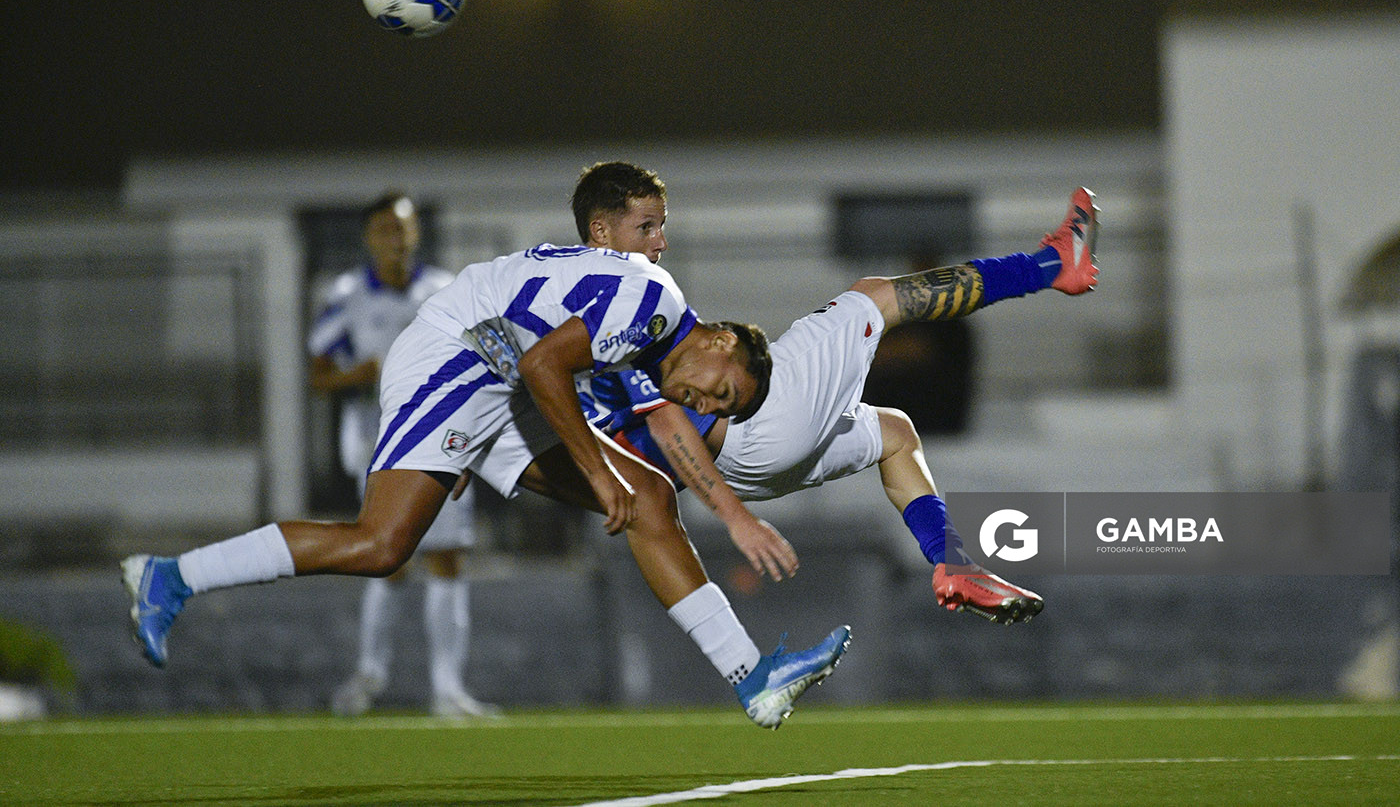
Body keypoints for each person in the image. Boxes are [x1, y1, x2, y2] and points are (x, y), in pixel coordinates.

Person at [123, 175, 851, 730]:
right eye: (721, 391)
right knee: (382, 546)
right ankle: (170, 576)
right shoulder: (653, 302)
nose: (707, 405)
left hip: (495, 372)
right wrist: (594, 473)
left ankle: (751, 676)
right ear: (721, 340)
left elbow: (555, 368)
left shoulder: (655, 322)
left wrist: (480, 449)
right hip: (457, 359)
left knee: (653, 498)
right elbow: (543, 368)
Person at [567, 162, 1099, 622]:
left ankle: (952, 562)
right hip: (756, 431)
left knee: (894, 433)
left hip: (745, 469)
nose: (660, 241)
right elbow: (662, 415)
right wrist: (734, 517)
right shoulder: (621, 291)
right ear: (601, 230)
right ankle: (1053, 265)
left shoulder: (566, 306)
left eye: (661, 226)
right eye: (646, 227)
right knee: (874, 297)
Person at [308, 192, 496, 718]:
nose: (396, 238)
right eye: (385, 229)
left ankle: (448, 688)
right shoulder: (346, 296)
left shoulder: (443, 290)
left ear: (416, 234)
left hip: (441, 438)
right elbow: (318, 375)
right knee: (385, 559)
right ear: (369, 237)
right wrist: (360, 375)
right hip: (377, 440)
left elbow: (479, 363)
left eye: (403, 228)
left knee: (447, 557)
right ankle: (370, 675)